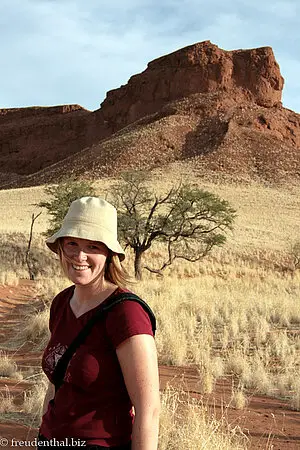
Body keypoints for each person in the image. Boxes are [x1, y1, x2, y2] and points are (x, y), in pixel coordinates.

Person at [39, 196, 160, 450]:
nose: (80, 256)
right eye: (72, 243)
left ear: (109, 254)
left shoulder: (126, 312)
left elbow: (148, 411)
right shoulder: (61, 303)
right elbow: (57, 383)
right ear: (61, 247)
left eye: (93, 247)